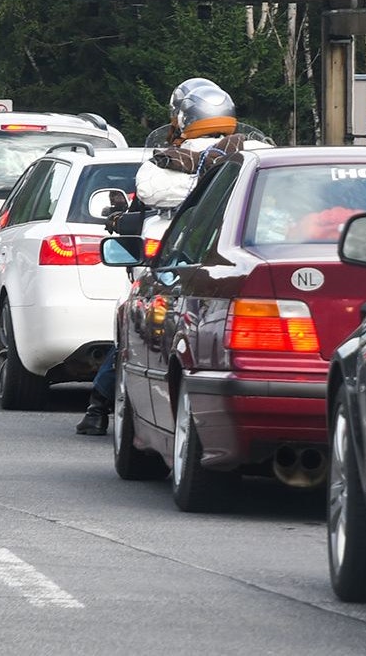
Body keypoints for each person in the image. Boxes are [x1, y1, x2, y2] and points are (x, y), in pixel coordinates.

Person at [77, 78, 263, 436]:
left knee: (141, 330)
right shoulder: (255, 156)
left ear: (182, 117)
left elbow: (148, 193)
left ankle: (99, 406)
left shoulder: (165, 164)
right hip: (242, 265)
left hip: (176, 267)